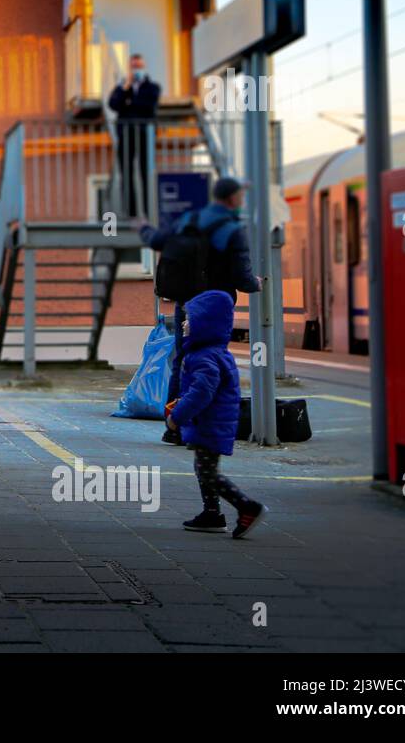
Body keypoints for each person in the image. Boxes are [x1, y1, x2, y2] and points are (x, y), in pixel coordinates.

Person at [137, 176, 262, 445]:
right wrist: (257, 284)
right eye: (240, 196)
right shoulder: (231, 229)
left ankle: (174, 425)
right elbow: (242, 277)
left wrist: (143, 227)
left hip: (187, 303)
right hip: (216, 307)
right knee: (211, 361)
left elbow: (158, 240)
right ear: (232, 199)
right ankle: (201, 424)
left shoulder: (190, 219)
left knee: (182, 362)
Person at [166, 290, 268, 539]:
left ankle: (246, 506)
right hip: (211, 421)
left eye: (189, 319)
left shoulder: (205, 357)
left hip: (210, 422)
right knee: (203, 468)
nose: (183, 322)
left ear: (205, 324)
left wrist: (176, 416)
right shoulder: (212, 353)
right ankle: (211, 514)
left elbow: (201, 393)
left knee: (208, 472)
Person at [108, 53, 161, 216]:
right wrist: (126, 89)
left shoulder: (153, 87)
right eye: (133, 66)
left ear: (144, 67)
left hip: (145, 135)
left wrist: (129, 103)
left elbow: (148, 105)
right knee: (126, 173)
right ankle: (130, 212)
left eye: (138, 66)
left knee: (146, 172)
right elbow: (113, 104)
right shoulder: (122, 87)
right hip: (125, 135)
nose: (136, 69)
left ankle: (147, 210)